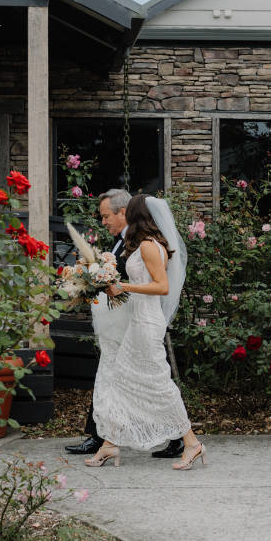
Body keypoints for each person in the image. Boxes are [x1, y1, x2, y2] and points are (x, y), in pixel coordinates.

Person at [63, 190, 184, 460]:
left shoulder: (142, 242)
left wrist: (112, 283)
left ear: (123, 212)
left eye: (106, 216)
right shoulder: (124, 241)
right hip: (118, 321)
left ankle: (175, 437)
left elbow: (152, 283)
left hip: (134, 321)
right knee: (119, 378)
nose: (103, 221)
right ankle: (105, 438)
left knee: (139, 379)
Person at [87, 194, 204, 470]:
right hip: (137, 322)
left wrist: (123, 287)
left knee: (159, 385)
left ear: (136, 214)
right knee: (119, 380)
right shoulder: (142, 245)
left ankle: (192, 442)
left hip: (147, 323)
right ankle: (110, 443)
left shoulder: (150, 246)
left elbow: (161, 286)